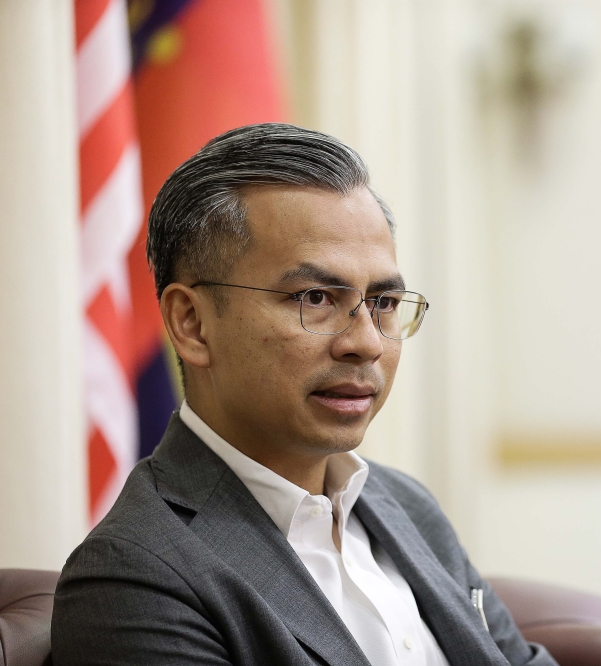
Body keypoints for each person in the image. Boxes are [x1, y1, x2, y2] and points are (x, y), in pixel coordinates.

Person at [51, 123, 558, 666]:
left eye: (384, 302)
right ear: (193, 323)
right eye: (316, 298)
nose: (366, 342)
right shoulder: (135, 574)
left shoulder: (405, 505)